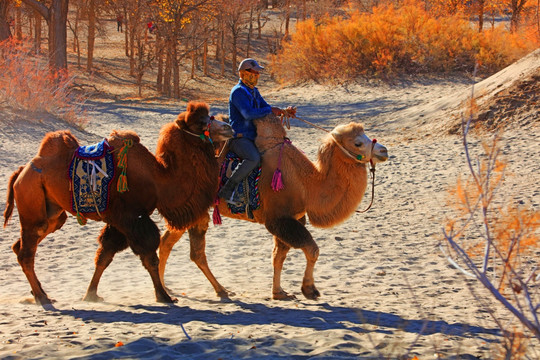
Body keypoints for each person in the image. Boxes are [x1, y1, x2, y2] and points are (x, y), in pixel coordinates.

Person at [218, 58, 292, 205]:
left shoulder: (254, 91)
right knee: (253, 158)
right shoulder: (238, 92)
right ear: (243, 73)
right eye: (254, 72)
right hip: (240, 138)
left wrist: (282, 111)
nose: (257, 75)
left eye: (258, 73)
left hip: (255, 137)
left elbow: (266, 107)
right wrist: (270, 110)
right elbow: (248, 114)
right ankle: (228, 190)